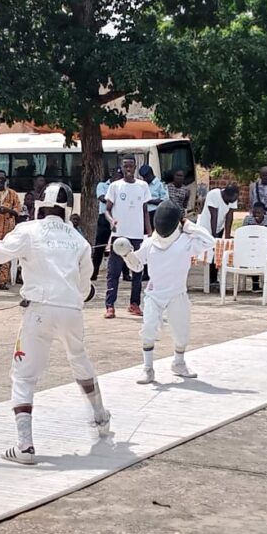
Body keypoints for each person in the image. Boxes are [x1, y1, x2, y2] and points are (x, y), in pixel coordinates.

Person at [0, 183, 111, 465]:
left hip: (38, 309)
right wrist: (84, 293)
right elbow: (84, 287)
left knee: (24, 376)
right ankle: (100, 418)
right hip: (71, 311)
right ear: (68, 209)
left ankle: (25, 446)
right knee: (79, 360)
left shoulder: (28, 231)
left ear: (41, 205)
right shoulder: (80, 242)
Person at [113, 200, 215, 383]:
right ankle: (148, 369)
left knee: (181, 332)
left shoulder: (186, 241)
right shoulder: (150, 243)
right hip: (155, 295)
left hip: (177, 293)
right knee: (148, 329)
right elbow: (137, 266)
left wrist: (188, 225)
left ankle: (179, 363)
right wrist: (127, 254)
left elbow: (209, 241)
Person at [104, 155, 152, 318]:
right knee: (114, 272)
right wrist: (111, 220)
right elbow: (107, 209)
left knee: (137, 270)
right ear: (122, 168)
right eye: (125, 166)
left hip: (137, 235)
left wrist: (149, 232)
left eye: (131, 166)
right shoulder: (115, 186)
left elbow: (145, 211)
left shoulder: (142, 186)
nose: (128, 169)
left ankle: (134, 304)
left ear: (135, 167)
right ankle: (110, 305)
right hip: (119, 235)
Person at [197, 184, 239, 288]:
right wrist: (214, 236)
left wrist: (227, 236)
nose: (235, 200)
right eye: (234, 198)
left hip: (219, 228)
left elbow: (229, 217)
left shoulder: (233, 198)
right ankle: (209, 280)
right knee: (209, 253)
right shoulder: (214, 194)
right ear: (227, 194)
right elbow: (213, 216)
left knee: (217, 253)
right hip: (206, 227)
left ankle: (213, 279)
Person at [92, 167, 123, 281]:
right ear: (112, 175)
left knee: (121, 244)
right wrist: (113, 199)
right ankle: (94, 272)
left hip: (118, 217)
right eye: (117, 176)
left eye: (120, 176)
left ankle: (125, 274)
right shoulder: (102, 185)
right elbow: (102, 198)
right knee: (100, 245)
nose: (118, 178)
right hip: (104, 217)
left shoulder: (122, 187)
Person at [242, 202, 267, 291]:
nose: (256, 215)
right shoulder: (248, 219)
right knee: (253, 255)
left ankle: (266, 281)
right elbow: (242, 233)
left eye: (259, 213)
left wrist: (261, 231)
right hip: (251, 247)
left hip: (266, 247)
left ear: (264, 212)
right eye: (254, 213)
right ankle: (255, 284)